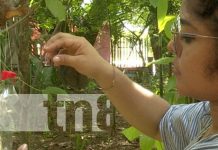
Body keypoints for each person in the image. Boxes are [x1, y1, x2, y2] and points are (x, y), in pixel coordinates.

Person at [43, 0, 218, 149]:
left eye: (187, 36)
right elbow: (162, 121)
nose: (171, 45)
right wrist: (99, 68)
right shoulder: (209, 117)